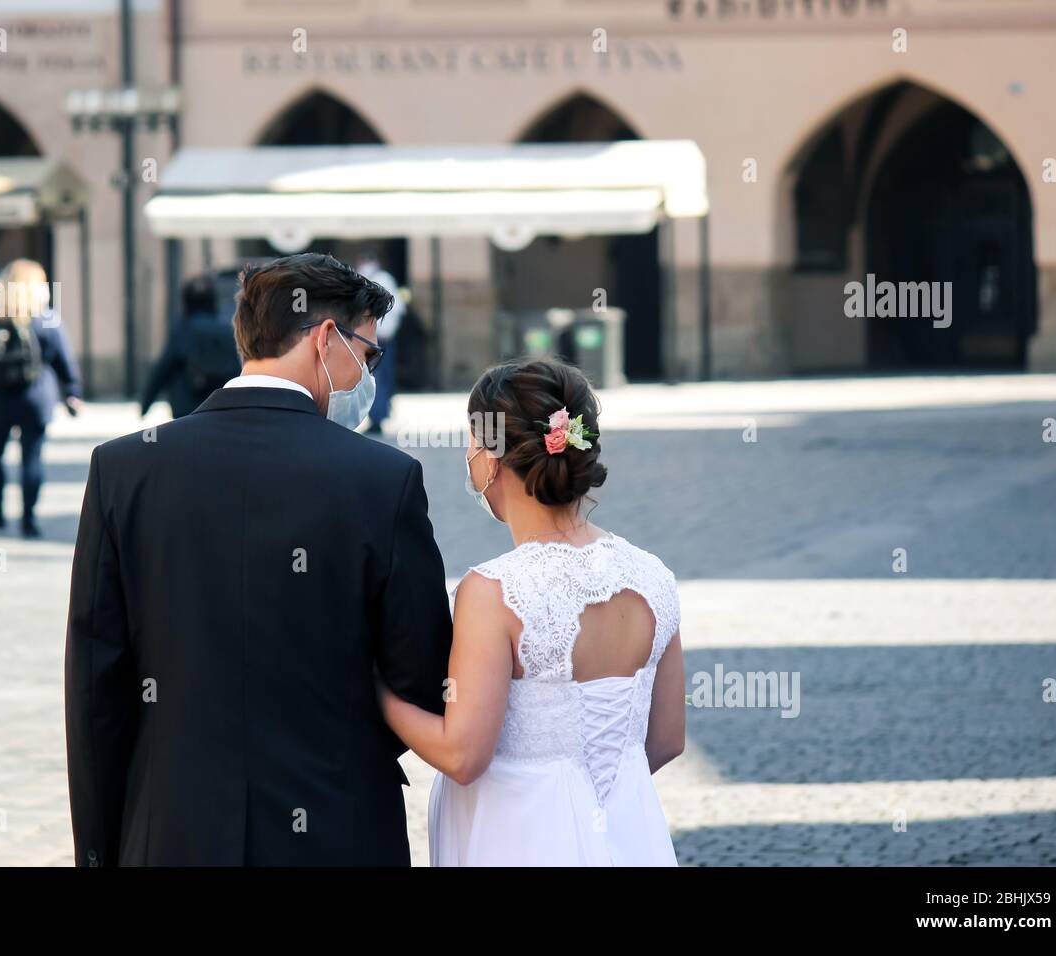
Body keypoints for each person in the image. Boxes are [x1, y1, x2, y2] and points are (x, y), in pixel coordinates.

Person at [64, 252, 453, 866]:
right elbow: (423, 675)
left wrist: (98, 852)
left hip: (172, 830)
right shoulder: (383, 478)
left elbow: (95, 690)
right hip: (337, 825)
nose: (369, 376)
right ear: (327, 338)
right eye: (369, 356)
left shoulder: (124, 468)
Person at [376, 358, 686, 866]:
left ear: (491, 459)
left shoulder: (494, 591)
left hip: (517, 838)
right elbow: (667, 738)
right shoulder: (654, 577)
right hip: (631, 837)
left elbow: (462, 755)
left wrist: (380, 693)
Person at [0, 258, 82, 539]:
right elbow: (63, 358)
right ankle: (29, 519)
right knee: (31, 458)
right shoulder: (46, 318)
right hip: (36, 398)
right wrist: (72, 391)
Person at [139, 274, 241, 419]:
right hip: (219, 405)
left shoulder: (183, 330)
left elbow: (164, 368)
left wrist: (146, 404)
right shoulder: (225, 329)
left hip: (187, 407)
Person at [355, 251, 403, 435]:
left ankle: (378, 417)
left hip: (378, 339)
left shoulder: (379, 280)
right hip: (381, 338)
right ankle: (379, 415)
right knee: (380, 378)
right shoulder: (379, 279)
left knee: (378, 379)